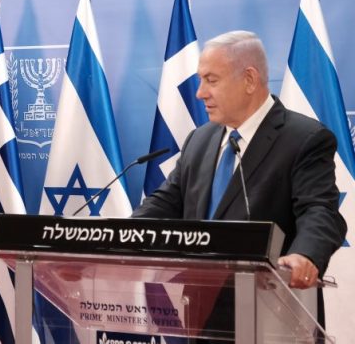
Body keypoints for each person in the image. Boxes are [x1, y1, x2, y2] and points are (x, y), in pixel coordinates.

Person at [133, 31, 346, 337]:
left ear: (249, 79)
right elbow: (163, 203)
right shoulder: (200, 139)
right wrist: (104, 243)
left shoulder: (304, 138)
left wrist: (306, 255)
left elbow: (319, 211)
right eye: (201, 80)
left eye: (211, 80)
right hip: (201, 318)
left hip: (273, 317)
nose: (200, 93)